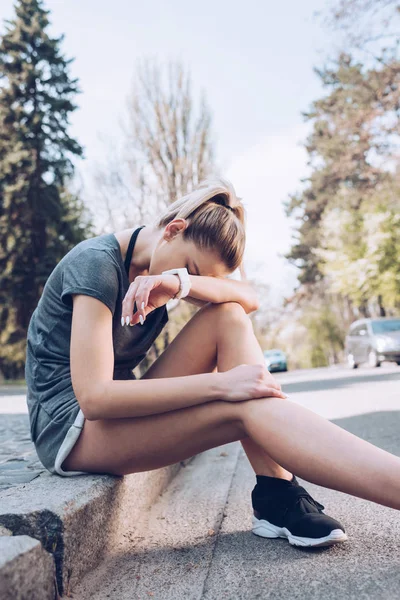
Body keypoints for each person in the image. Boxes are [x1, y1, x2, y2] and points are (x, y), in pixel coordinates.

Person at [25, 177, 400, 550]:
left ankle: (277, 492)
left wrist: (182, 283)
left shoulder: (158, 276)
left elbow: (247, 297)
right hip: (71, 431)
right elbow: (95, 398)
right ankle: (282, 494)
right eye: (188, 267)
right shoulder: (96, 266)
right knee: (243, 406)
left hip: (114, 417)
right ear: (173, 230)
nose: (185, 284)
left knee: (229, 317)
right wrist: (223, 385)